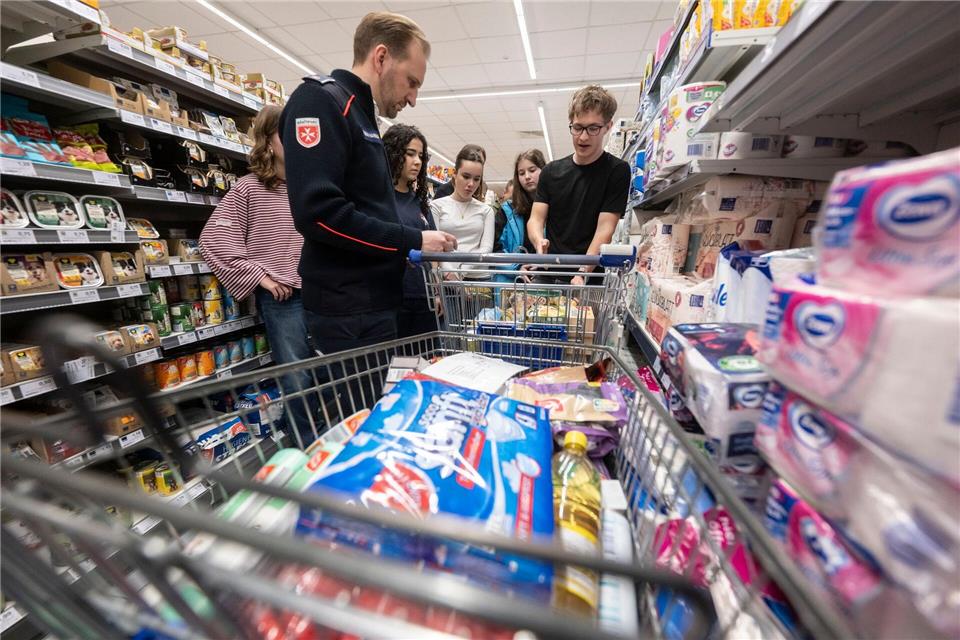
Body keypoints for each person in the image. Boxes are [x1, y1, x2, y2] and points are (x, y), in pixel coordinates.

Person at [280, 12, 456, 355]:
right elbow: (318, 213)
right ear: (381, 58)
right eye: (412, 82)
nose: (413, 98)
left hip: (372, 305)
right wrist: (412, 239)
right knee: (356, 406)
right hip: (348, 311)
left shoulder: (361, 115)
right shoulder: (320, 101)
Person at [199, 106, 317, 444]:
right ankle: (305, 449)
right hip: (284, 302)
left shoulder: (311, 189)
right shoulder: (248, 190)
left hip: (322, 294)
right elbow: (213, 239)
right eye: (285, 133)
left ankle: (326, 441)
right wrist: (259, 277)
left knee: (327, 373)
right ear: (267, 140)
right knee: (298, 379)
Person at [527, 85, 630, 285]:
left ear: (608, 127)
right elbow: (536, 219)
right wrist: (538, 241)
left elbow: (605, 229)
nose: (583, 137)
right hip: (549, 273)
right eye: (577, 127)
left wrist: (582, 271)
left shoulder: (617, 171)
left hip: (588, 276)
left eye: (593, 128)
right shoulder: (550, 172)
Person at [383, 123, 437, 337]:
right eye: (410, 154)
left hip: (424, 296)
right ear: (393, 153)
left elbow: (432, 250)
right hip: (394, 297)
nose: (417, 162)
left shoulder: (420, 202)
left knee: (426, 359)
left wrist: (436, 290)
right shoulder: (380, 201)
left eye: (421, 156)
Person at [430, 145, 496, 281]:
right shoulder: (436, 206)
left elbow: (486, 248)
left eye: (477, 179)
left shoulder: (486, 210)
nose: (471, 184)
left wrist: (461, 270)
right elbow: (435, 245)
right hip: (446, 279)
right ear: (455, 174)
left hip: (479, 281)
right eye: (466, 176)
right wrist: (449, 273)